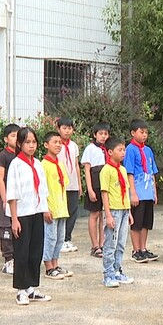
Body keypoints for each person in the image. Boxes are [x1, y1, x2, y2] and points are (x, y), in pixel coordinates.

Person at [6, 127, 50, 305]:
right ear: (19, 144)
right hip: (22, 214)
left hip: (36, 211)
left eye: (33, 142)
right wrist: (14, 219)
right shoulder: (16, 164)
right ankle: (21, 289)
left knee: (35, 251)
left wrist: (45, 209)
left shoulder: (37, 164)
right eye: (27, 142)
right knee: (22, 252)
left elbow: (42, 189)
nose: (31, 146)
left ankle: (31, 287)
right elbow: (12, 193)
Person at [101, 136, 134, 287]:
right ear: (110, 152)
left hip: (124, 210)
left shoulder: (122, 169)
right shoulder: (106, 170)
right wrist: (108, 214)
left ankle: (117, 270)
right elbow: (104, 193)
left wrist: (129, 212)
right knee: (110, 244)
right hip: (113, 211)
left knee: (121, 243)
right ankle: (108, 274)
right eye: (119, 150)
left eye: (124, 150)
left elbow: (126, 191)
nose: (123, 153)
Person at [125, 119, 159, 263]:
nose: (144, 135)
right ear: (133, 133)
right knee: (136, 223)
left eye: (146, 132)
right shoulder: (130, 149)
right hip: (138, 192)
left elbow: (152, 172)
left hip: (148, 192)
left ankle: (143, 248)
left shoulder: (148, 150)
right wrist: (132, 193)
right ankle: (136, 250)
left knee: (146, 223)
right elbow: (129, 172)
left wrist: (154, 192)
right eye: (141, 132)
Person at [41, 131, 72, 280]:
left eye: (60, 142)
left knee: (60, 238)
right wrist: (45, 208)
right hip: (51, 208)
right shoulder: (43, 165)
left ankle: (55, 263)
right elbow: (41, 189)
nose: (58, 145)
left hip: (61, 208)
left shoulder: (60, 164)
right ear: (46, 145)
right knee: (50, 238)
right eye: (55, 142)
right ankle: (48, 267)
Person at [81, 122, 110, 258]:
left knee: (103, 215)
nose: (103, 136)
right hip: (95, 184)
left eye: (106, 134)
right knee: (94, 214)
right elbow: (87, 170)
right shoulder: (90, 149)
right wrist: (90, 189)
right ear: (95, 135)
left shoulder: (108, 149)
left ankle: (102, 243)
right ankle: (95, 245)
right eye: (100, 134)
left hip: (105, 184)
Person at [0, 123, 21, 276]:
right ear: (6, 139)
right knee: (6, 228)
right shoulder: (2, 156)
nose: (16, 138)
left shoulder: (21, 155)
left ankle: (18, 259)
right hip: (7, 197)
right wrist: (4, 199)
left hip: (20, 198)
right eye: (13, 135)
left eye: (18, 136)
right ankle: (8, 260)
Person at [55, 117, 82, 253]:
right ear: (58, 129)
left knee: (72, 212)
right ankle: (59, 239)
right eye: (64, 128)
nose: (67, 131)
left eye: (69, 128)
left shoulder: (74, 146)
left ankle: (67, 238)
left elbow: (76, 165)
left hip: (73, 184)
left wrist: (79, 184)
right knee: (61, 212)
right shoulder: (56, 145)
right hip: (60, 185)